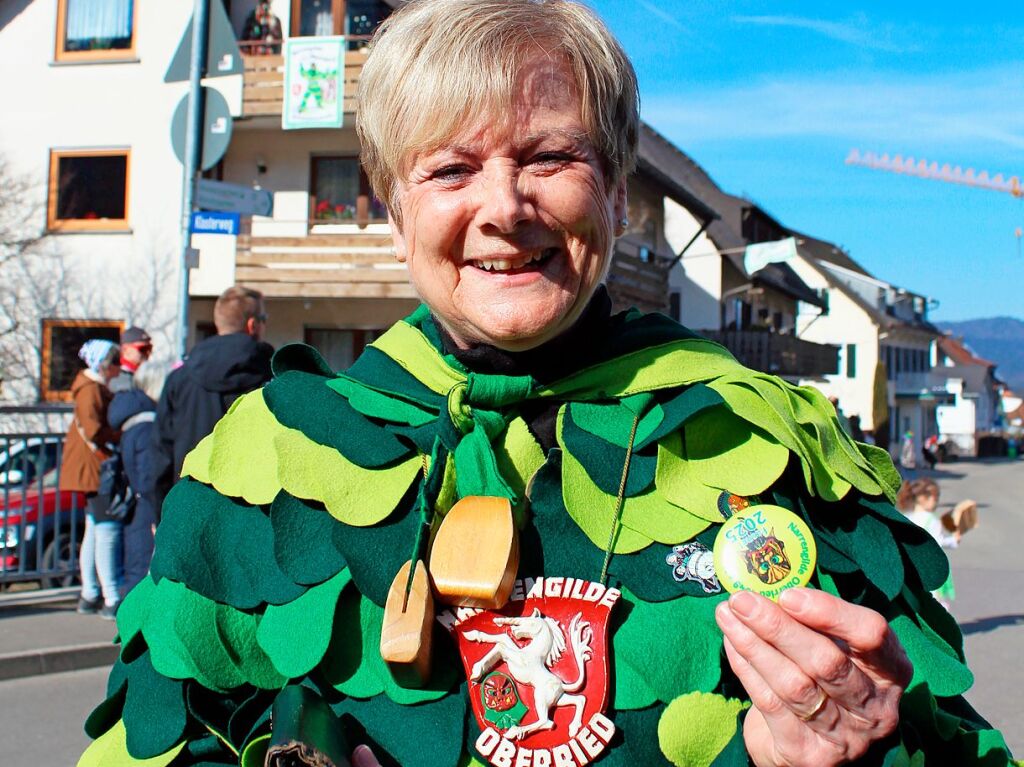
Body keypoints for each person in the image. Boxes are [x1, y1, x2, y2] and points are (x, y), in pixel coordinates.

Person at [80, 2, 1013, 765]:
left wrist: (855, 752)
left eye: (549, 157)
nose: (503, 208)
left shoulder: (765, 445)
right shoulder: (268, 455)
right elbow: (158, 738)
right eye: (450, 168)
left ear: (612, 192)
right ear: (394, 211)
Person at [152, 286, 272, 517]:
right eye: (264, 318)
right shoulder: (273, 379)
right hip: (253, 512)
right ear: (252, 325)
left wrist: (161, 512)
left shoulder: (180, 379)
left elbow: (161, 453)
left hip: (190, 506)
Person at [60, 339, 122, 620]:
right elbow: (95, 428)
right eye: (114, 362)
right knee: (105, 531)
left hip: (90, 468)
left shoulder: (89, 387)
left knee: (94, 530)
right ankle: (110, 597)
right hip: (96, 469)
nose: (118, 368)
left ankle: (90, 593)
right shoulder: (91, 390)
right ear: (104, 364)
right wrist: (120, 435)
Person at [107, 360, 168, 596]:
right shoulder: (146, 425)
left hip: (138, 505)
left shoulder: (134, 420)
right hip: (145, 508)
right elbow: (147, 475)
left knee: (136, 569)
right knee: (141, 573)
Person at [109, 326, 153, 393]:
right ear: (125, 350)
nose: (148, 352)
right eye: (143, 349)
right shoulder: (115, 377)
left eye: (150, 348)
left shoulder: (147, 374)